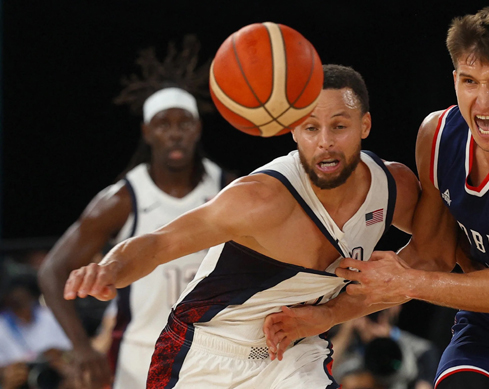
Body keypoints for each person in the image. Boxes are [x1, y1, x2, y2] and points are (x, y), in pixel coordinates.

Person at [264, 6, 489, 389]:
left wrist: (408, 283)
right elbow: (431, 254)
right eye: (471, 81)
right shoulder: (437, 136)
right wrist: (327, 313)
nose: (484, 101)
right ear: (455, 80)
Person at [62, 64, 420, 388]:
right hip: (207, 354)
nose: (325, 140)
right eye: (311, 127)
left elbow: (433, 259)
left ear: (365, 125)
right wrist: (110, 268)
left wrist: (332, 312)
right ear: (295, 131)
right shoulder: (259, 197)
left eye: (339, 126)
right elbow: (158, 244)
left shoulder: (392, 188)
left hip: (294, 353)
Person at [38, 35, 233, 389]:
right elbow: (52, 271)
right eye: (163, 124)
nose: (174, 134)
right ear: (147, 132)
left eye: (183, 123)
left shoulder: (227, 190)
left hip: (216, 358)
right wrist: (82, 348)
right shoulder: (122, 198)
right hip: (140, 359)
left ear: (197, 129)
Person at [0, 273, 73, 389]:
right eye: (16, 304)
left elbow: (69, 351)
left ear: (31, 297)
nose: (23, 309)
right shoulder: (2, 326)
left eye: (24, 301)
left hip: (54, 378)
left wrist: (58, 356)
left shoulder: (49, 316)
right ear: (8, 302)